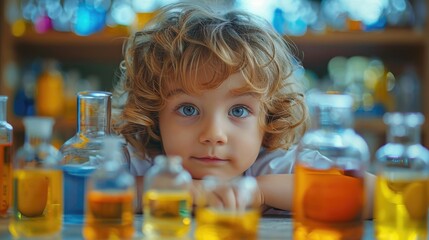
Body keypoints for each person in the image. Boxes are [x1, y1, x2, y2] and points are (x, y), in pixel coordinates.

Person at [112, 2, 375, 217]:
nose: (214, 135)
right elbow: (76, 192)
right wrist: (181, 190)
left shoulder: (271, 164)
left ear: (268, 118)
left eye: (238, 111)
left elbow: (378, 193)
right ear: (153, 112)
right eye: (188, 109)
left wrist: (260, 191)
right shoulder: (139, 161)